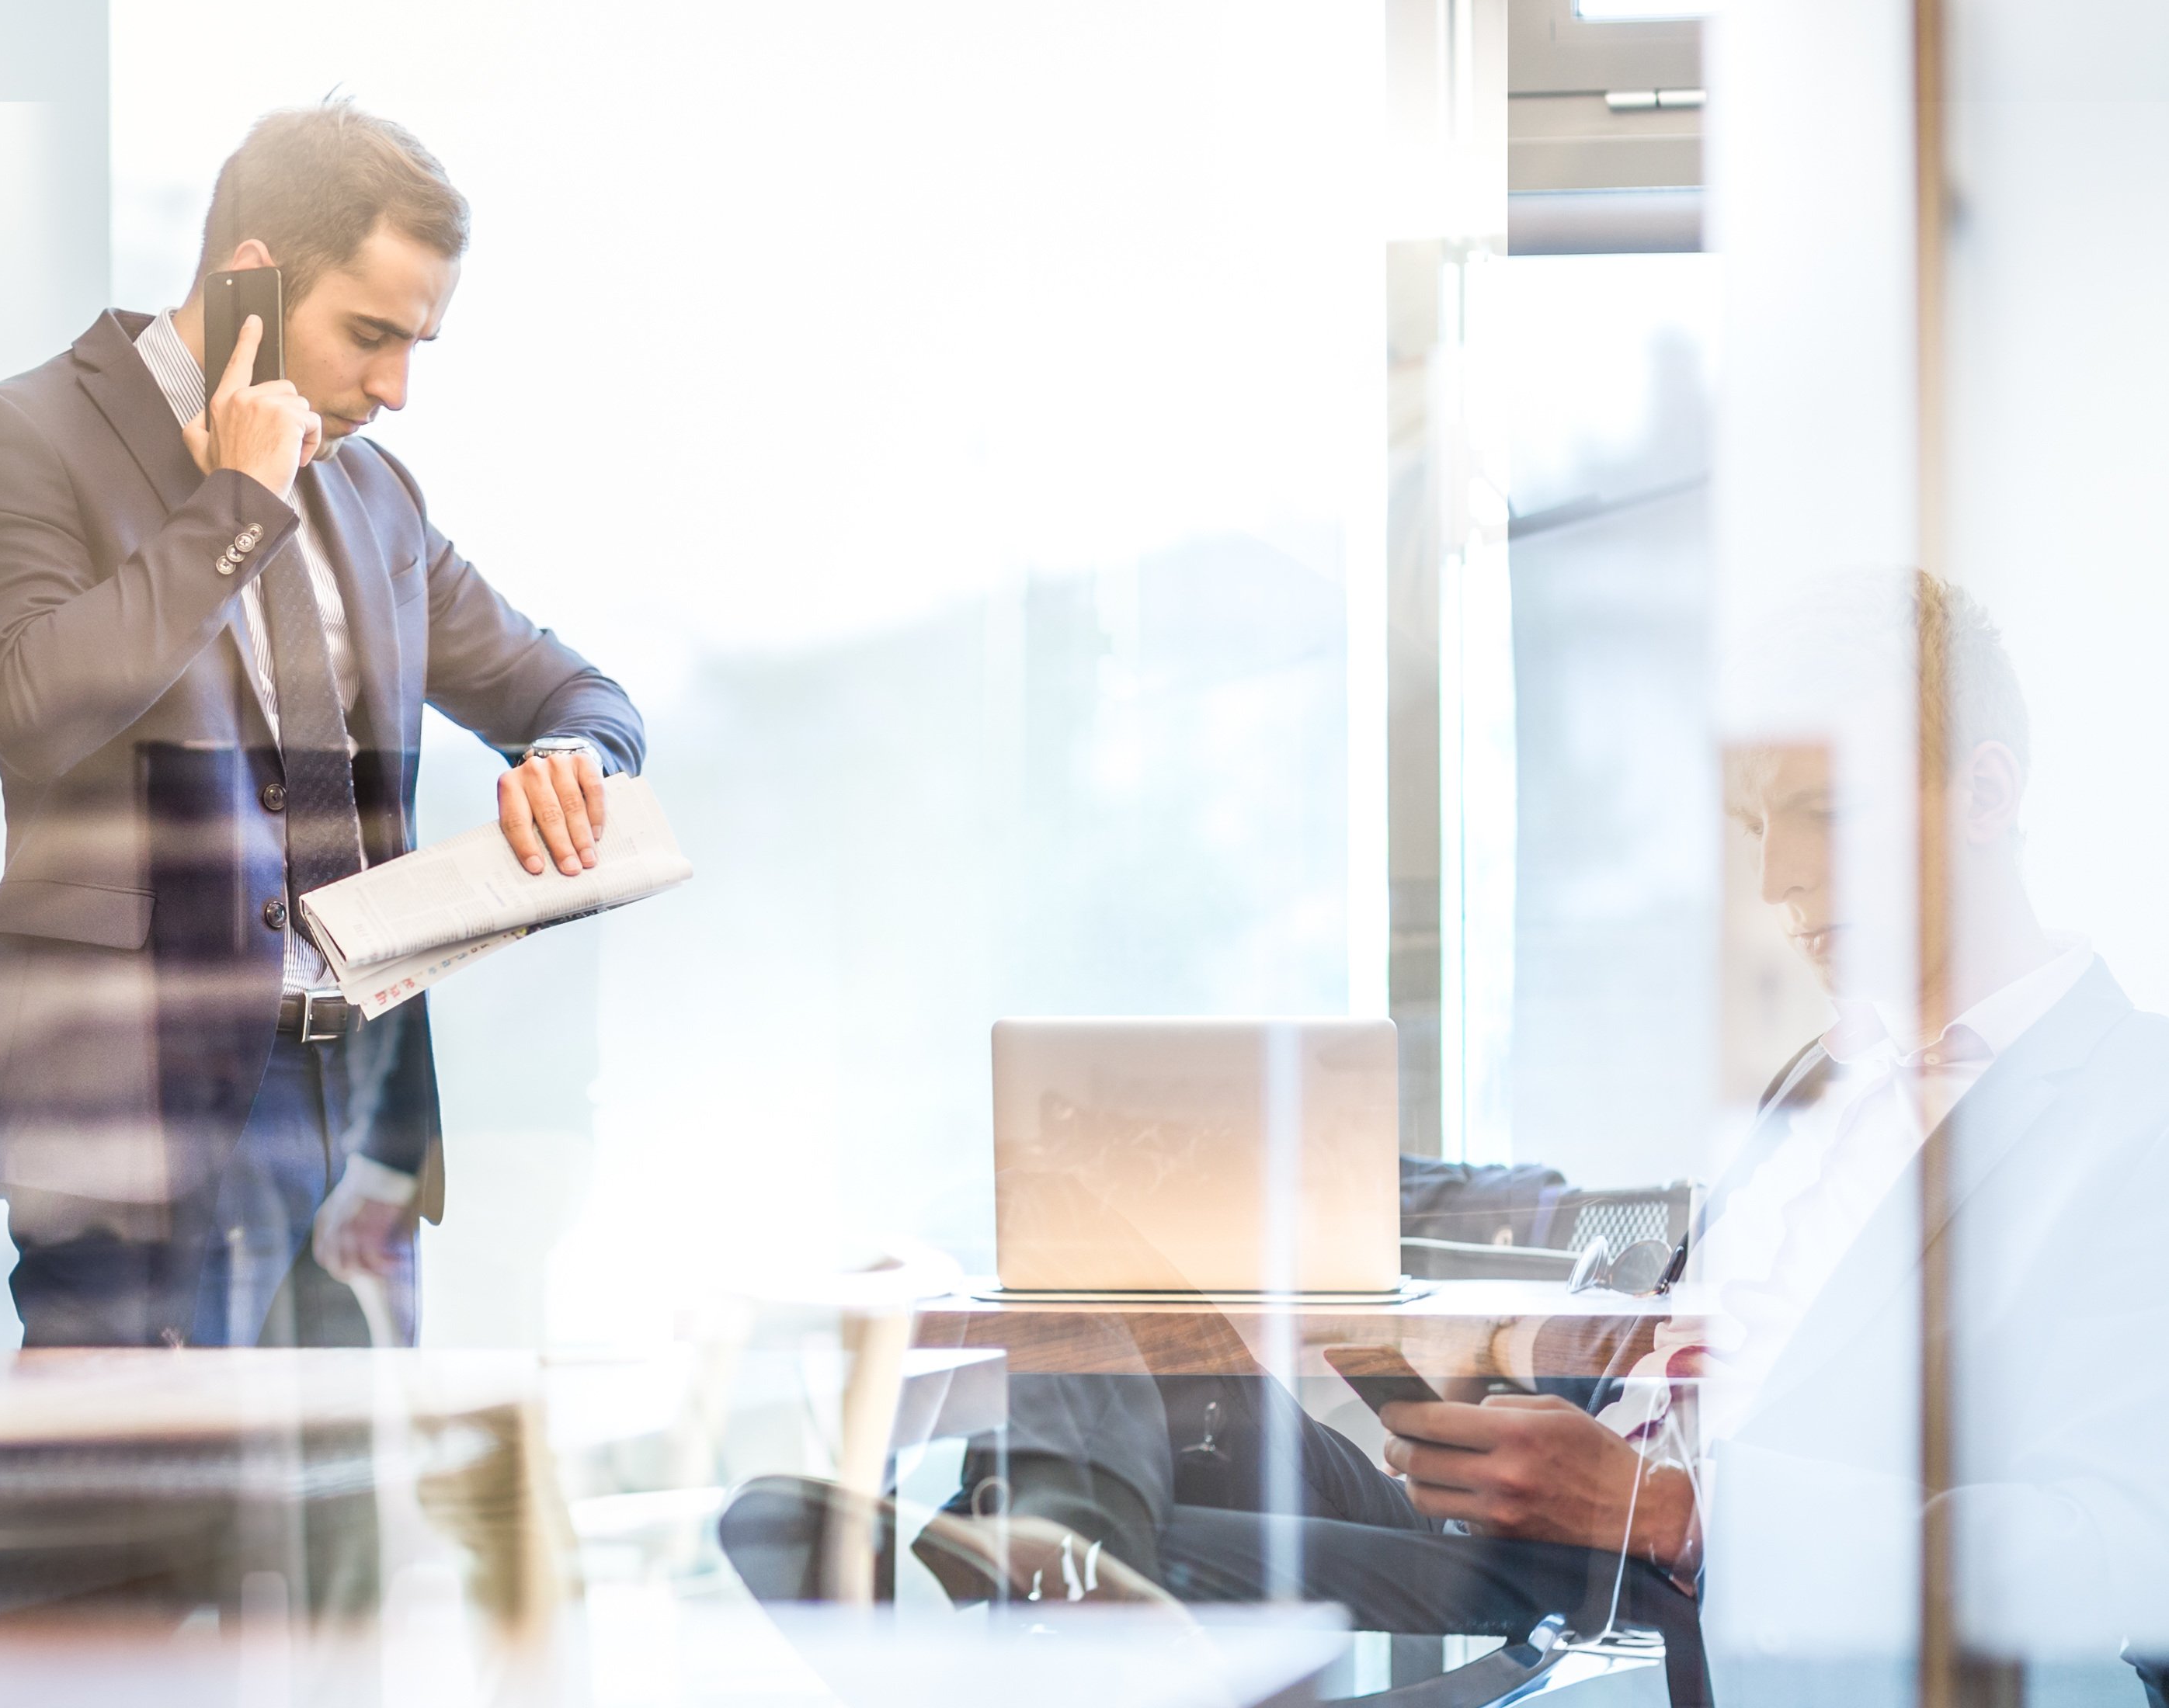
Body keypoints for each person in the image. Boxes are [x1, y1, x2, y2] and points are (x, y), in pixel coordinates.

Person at [794, 570, 2169, 1705]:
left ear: (1983, 795)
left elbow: (2120, 1560)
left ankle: (1044, 1580)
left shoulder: (2129, 1113)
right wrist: (1556, 1403)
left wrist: (1671, 1512)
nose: (1776, 882)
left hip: (1664, 1593)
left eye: (1822, 812)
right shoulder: (1830, 1073)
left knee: (1050, 1552)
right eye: (1758, 827)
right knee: (1091, 1259)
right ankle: (1062, 1563)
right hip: (1544, 1525)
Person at [0, 102, 645, 1349]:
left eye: (418, 344)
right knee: (149, 1524)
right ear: (247, 280)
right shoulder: (17, 435)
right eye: (369, 335)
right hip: (135, 1109)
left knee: (340, 1524)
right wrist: (240, 500)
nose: (395, 388)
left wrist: (573, 757)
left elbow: (572, 693)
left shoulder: (373, 494)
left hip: (357, 1104)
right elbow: (32, 704)